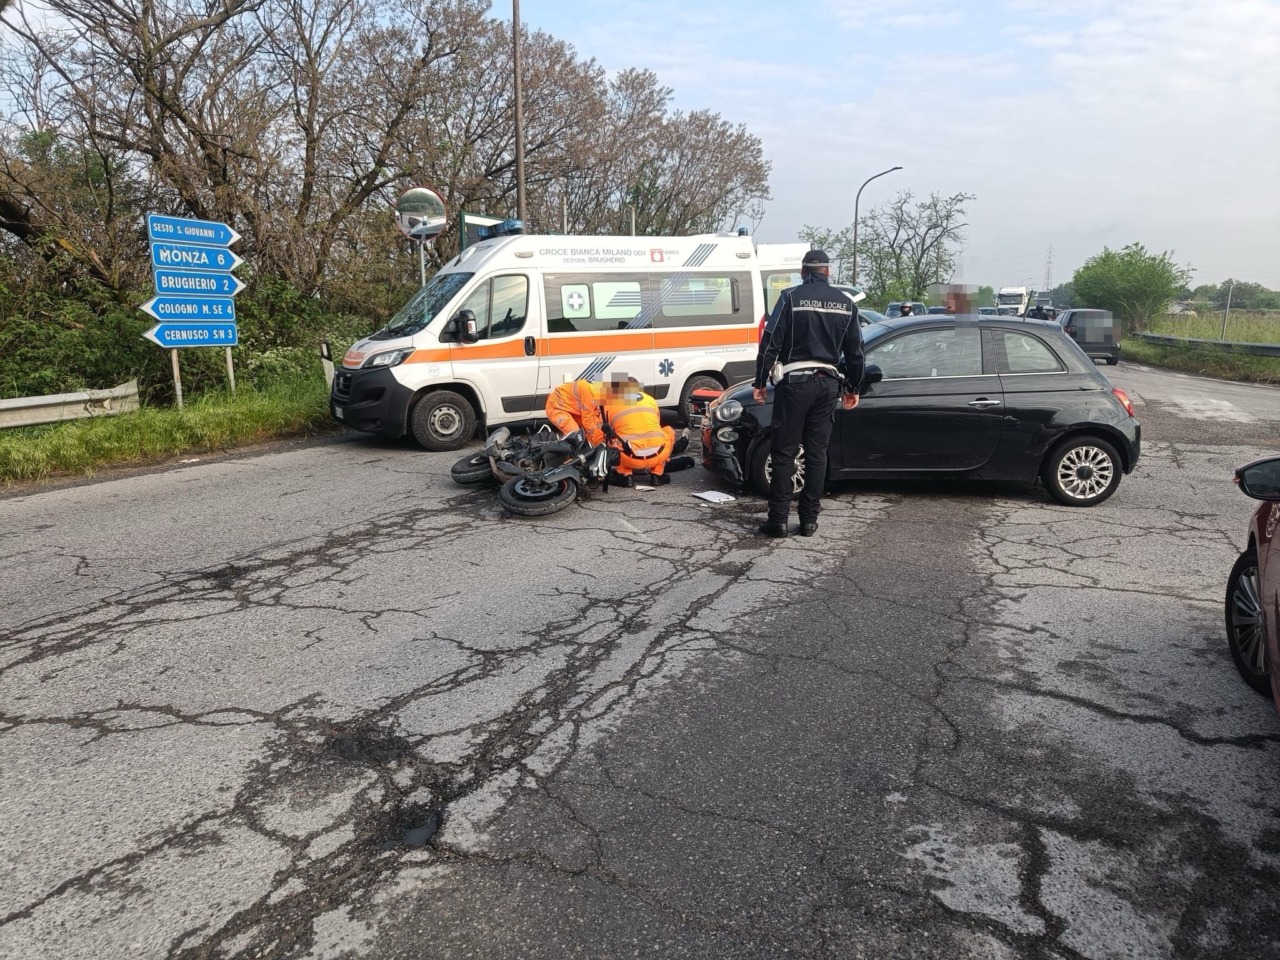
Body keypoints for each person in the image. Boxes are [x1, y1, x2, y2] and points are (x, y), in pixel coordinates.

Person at [752, 250, 864, 538]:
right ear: (828, 272)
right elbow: (856, 353)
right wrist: (853, 388)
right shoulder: (846, 303)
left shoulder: (790, 297)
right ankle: (808, 522)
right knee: (816, 453)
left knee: (784, 452)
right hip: (828, 384)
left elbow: (771, 341)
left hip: (795, 384)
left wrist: (760, 381)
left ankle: (777, 520)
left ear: (803, 272)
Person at [601, 375, 693, 486]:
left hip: (628, 457)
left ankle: (625, 475)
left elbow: (605, 430)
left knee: (612, 438)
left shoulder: (610, 403)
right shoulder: (650, 400)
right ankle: (657, 474)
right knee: (667, 431)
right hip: (657, 454)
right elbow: (656, 425)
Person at [545, 379, 605, 444]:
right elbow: (588, 421)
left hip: (569, 408)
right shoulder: (589, 395)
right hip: (555, 407)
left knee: (596, 425)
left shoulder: (595, 391)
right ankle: (567, 452)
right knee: (575, 434)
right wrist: (599, 441)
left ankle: (589, 448)